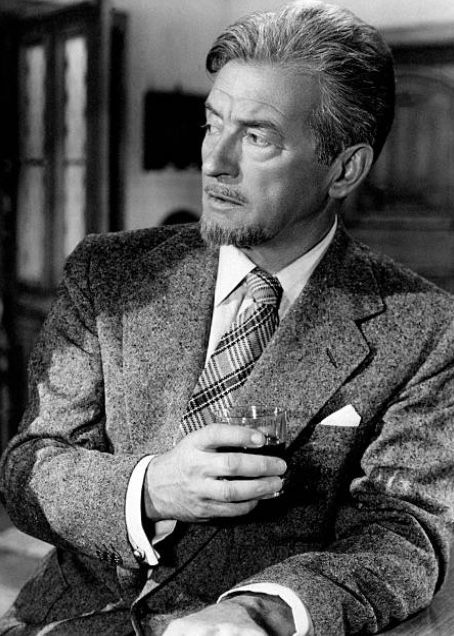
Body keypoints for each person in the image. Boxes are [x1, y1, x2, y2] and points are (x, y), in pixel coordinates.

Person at [1, 2, 454, 635]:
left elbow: (404, 534)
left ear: (344, 169)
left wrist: (262, 610)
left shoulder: (425, 329)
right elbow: (27, 468)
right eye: (214, 123)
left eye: (259, 136)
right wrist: (153, 486)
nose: (216, 160)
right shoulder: (108, 273)